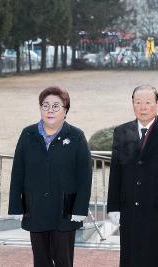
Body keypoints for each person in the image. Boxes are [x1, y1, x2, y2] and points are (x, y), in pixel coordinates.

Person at [8, 86, 92, 267]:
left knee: (63, 261)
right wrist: (16, 205)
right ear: (40, 108)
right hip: (35, 208)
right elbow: (18, 171)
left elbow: (85, 176)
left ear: (65, 110)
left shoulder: (76, 136)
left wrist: (80, 209)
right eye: (45, 106)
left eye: (56, 106)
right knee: (41, 261)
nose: (50, 110)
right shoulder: (27, 134)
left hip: (64, 211)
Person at [107, 85, 158, 267]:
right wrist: (113, 206)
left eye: (148, 102)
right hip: (130, 209)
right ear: (132, 104)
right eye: (138, 102)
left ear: (157, 104)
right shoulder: (121, 132)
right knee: (130, 258)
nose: (143, 107)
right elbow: (116, 172)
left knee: (157, 259)